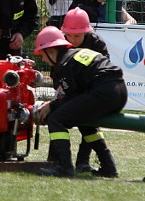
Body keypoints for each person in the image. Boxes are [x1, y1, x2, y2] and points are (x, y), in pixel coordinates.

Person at [33, 26, 127, 177]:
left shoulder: (64, 64)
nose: (42, 59)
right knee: (85, 123)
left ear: (51, 51)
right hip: (120, 92)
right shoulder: (74, 55)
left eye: (42, 54)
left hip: (103, 93)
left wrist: (51, 106)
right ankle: (109, 167)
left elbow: (71, 96)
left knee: (56, 120)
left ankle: (64, 167)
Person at [58, 6, 109, 173]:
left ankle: (83, 161)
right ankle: (56, 159)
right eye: (69, 35)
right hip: (67, 87)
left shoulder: (98, 44)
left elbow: (104, 71)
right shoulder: (60, 43)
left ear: (86, 32)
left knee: (88, 122)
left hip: (91, 90)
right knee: (57, 118)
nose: (72, 39)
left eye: (77, 36)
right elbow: (55, 68)